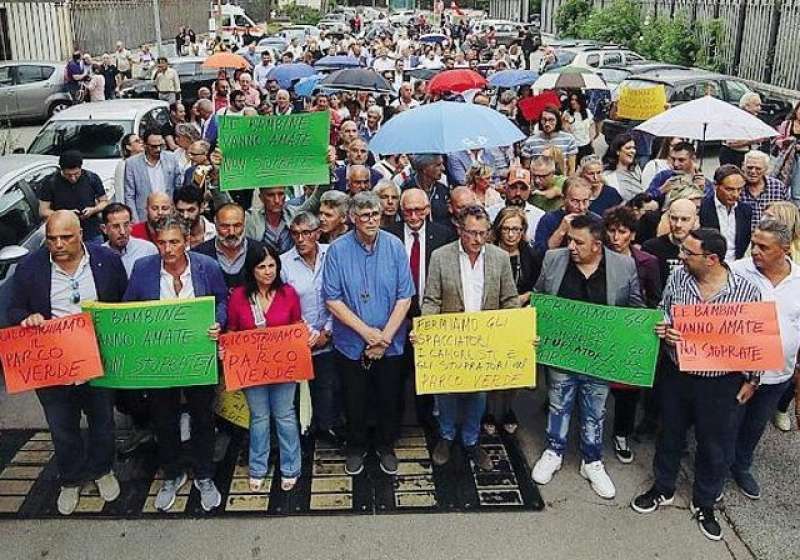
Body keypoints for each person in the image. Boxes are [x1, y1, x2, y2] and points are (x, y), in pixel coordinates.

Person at [631, 228, 761, 542]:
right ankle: (663, 488)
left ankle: (704, 503)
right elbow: (664, 308)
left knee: (714, 445)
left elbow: (756, 338)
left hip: (721, 383)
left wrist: (753, 379)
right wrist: (665, 327)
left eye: (689, 253)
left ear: (712, 259)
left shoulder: (746, 292)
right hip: (678, 376)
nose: (681, 256)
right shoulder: (678, 278)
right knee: (670, 435)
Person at [7, 211, 127, 515]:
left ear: (81, 235)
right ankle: (71, 479)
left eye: (65, 237)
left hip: (98, 360)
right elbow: (13, 308)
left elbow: (124, 304)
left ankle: (102, 470)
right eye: (52, 239)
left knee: (102, 420)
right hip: (53, 364)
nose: (58, 244)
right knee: (61, 426)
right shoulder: (30, 268)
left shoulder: (107, 261)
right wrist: (26, 318)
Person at [532, 214, 643, 499]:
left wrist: (647, 326)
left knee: (595, 411)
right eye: (569, 239)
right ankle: (553, 452)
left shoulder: (623, 265)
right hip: (561, 353)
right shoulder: (554, 259)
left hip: (599, 357)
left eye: (578, 242)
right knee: (558, 404)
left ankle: (592, 461)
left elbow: (634, 307)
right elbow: (540, 297)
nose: (571, 246)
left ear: (597, 245)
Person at [123, 216, 227, 512]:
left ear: (188, 241)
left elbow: (221, 300)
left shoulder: (207, 267)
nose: (167, 249)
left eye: (174, 242)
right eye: (162, 242)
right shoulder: (143, 269)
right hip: (161, 360)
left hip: (198, 357)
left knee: (203, 417)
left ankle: (205, 474)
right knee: (163, 418)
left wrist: (218, 322)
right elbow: (128, 307)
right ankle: (172, 473)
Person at [322, 192, 415, 476]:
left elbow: (405, 297)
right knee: (354, 399)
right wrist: (367, 334)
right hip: (352, 343)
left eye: (375, 214)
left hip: (391, 342)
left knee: (389, 398)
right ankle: (356, 447)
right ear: (352, 218)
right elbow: (332, 299)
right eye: (365, 216)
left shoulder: (395, 246)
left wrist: (384, 337)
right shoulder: (337, 250)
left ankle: (386, 446)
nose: (372, 220)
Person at [422, 205, 520, 470]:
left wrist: (516, 331)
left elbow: (510, 299)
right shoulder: (441, 257)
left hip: (485, 339)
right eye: (472, 233)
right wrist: (425, 331)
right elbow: (432, 299)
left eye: (483, 233)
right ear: (459, 230)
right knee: (447, 390)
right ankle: (446, 436)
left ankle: (471, 440)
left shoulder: (499, 258)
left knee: (478, 393)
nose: (478, 239)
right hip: (450, 338)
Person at [728, 217, 800, 498]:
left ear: (784, 249)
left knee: (755, 425)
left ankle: (742, 466)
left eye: (763, 247)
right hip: (738, 373)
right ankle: (717, 469)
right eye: (753, 244)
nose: (755, 251)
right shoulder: (736, 272)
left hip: (778, 374)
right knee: (729, 423)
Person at [227, 244, 303, 492]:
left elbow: (296, 326)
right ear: (251, 269)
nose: (268, 272)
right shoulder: (239, 296)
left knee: (285, 416)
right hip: (252, 369)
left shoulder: (288, 294)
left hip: (284, 368)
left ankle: (291, 467)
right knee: (259, 418)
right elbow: (232, 332)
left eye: (272, 266)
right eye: (262, 267)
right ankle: (258, 467)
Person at [385, 188, 456, 429]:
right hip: (396, 317)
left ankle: (427, 422)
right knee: (395, 373)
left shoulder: (444, 235)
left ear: (427, 210)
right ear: (400, 211)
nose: (414, 216)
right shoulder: (388, 235)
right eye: (408, 211)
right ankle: (396, 423)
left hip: (430, 315)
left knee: (427, 372)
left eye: (419, 210)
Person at [603, 205, 662, 463]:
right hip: (601, 331)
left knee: (628, 392)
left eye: (622, 232)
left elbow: (654, 298)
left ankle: (621, 434)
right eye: (611, 231)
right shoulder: (597, 258)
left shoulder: (647, 263)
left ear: (632, 235)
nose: (616, 237)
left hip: (631, 334)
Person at [281, 212, 341, 442]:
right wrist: (308, 334)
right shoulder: (284, 263)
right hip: (299, 338)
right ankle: (305, 433)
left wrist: (327, 331)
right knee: (299, 393)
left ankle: (327, 427)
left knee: (328, 387)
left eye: (306, 233)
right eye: (295, 234)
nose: (300, 239)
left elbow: (341, 295)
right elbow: (285, 303)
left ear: (318, 233)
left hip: (331, 333)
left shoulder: (333, 255)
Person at [484, 206, 542, 435]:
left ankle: (507, 409)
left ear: (523, 231)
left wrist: (522, 298)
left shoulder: (530, 255)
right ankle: (488, 410)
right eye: (506, 229)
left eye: (516, 229)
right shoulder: (487, 252)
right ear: (498, 229)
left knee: (513, 369)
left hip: (519, 319)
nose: (511, 234)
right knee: (490, 367)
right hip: (491, 317)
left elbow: (538, 286)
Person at [39, 151, 108, 243]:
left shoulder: (92, 178)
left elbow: (104, 202)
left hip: (92, 230)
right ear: (61, 170)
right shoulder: (50, 182)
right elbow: (43, 211)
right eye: (68, 175)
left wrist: (93, 210)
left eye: (76, 174)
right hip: (64, 232)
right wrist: (66, 214)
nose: (73, 178)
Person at [194, 203, 265, 289]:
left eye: (237, 226)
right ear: (215, 224)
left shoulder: (262, 252)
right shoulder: (198, 256)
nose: (231, 232)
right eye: (225, 226)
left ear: (244, 223)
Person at [245, 184, 328, 255]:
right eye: (270, 195)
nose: (277, 200)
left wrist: (328, 172)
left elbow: (315, 200)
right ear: (261, 197)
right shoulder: (251, 219)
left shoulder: (293, 213)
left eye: (280, 194)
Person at [124, 130, 183, 222]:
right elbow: (129, 196)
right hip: (144, 217)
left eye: (161, 146)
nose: (158, 149)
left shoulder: (171, 158)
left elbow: (178, 187)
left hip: (169, 216)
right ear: (145, 145)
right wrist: (135, 221)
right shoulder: (132, 163)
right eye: (154, 146)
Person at [699, 165, 752, 262]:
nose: (735, 194)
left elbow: (744, 242)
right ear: (715, 186)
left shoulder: (746, 210)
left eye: (739, 189)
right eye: (729, 189)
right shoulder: (702, 208)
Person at [642, 198, 698, 290]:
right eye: (674, 218)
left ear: (695, 220)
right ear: (668, 218)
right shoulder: (651, 248)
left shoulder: (702, 248)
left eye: (685, 219)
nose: (678, 225)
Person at [533, 176, 596, 254]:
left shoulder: (596, 221)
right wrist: (561, 231)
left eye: (585, 201)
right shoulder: (549, 220)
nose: (581, 207)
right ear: (564, 199)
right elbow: (538, 255)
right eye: (575, 201)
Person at [487, 166, 545, 244]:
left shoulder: (540, 216)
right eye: (513, 187)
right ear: (505, 187)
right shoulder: (490, 213)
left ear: (530, 190)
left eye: (523, 188)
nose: (518, 193)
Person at [100, 202, 158, 276]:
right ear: (104, 229)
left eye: (126, 225)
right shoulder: (98, 256)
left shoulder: (148, 250)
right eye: (116, 226)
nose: (122, 232)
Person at [739, 150, 788, 230]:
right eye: (749, 167)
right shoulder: (736, 186)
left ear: (766, 169)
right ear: (743, 167)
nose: (753, 171)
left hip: (770, 236)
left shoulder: (778, 187)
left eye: (758, 168)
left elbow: (786, 216)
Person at [521, 107, 578, 175]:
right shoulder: (530, 141)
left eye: (551, 120)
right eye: (544, 120)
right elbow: (527, 168)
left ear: (557, 121)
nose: (547, 124)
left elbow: (571, 169)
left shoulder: (569, 139)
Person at [646, 141, 711, 201]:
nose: (675, 164)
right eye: (673, 159)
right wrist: (662, 190)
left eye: (681, 160)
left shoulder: (703, 182)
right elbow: (645, 199)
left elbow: (712, 204)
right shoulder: (663, 176)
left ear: (693, 159)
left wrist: (703, 190)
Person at [401, 154, 450, 225]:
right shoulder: (407, 189)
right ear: (424, 168)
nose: (443, 168)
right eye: (438, 165)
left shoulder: (443, 190)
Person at [719, 93, 763, 167]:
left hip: (747, 155)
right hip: (733, 156)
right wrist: (755, 140)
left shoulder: (754, 120)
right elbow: (731, 142)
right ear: (747, 106)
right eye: (756, 105)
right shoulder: (735, 119)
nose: (759, 108)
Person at [603, 133, 643, 202]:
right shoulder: (607, 175)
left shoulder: (636, 169)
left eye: (634, 148)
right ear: (618, 151)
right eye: (628, 148)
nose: (633, 151)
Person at [563, 91, 596, 161]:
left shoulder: (587, 112)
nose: (573, 102)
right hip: (574, 147)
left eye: (576, 100)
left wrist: (591, 141)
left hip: (586, 146)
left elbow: (592, 127)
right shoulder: (567, 113)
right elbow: (566, 131)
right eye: (572, 99)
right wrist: (568, 122)